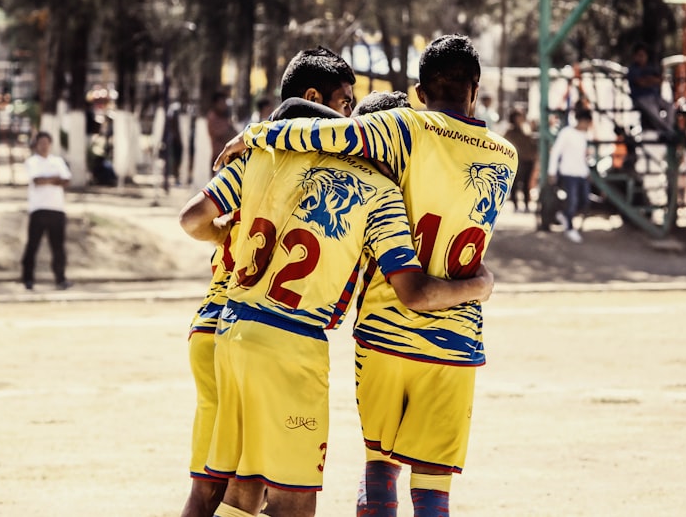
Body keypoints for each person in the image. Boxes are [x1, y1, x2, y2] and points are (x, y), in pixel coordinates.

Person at [182, 48, 491, 517]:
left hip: (227, 326)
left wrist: (228, 230)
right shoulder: (379, 191)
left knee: (233, 491)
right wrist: (480, 285)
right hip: (292, 342)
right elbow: (414, 290)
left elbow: (193, 218)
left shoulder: (267, 155)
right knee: (294, 500)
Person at [176, 48, 358, 517]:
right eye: (346, 103)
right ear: (315, 98)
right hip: (263, 328)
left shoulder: (257, 154)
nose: (349, 116)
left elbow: (195, 218)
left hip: (216, 320)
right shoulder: (322, 170)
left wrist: (223, 236)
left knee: (227, 483)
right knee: (248, 485)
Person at [20, 132, 73, 291]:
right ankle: (28, 279)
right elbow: (37, 180)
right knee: (32, 246)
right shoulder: (32, 161)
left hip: (57, 209)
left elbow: (66, 180)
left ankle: (60, 279)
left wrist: (48, 180)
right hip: (38, 209)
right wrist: (54, 179)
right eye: (41, 142)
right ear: (36, 144)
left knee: (58, 247)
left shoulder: (57, 161)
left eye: (47, 142)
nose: (44, 146)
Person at [546, 107, 593, 244]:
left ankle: (565, 215)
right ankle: (570, 228)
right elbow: (556, 153)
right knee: (572, 201)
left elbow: (582, 157)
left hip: (582, 174)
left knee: (585, 200)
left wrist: (587, 171)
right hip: (568, 173)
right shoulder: (566, 133)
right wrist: (552, 172)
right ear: (583, 121)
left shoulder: (584, 135)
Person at [626, 42, 676, 139]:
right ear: (635, 56)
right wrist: (651, 80)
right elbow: (641, 82)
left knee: (670, 106)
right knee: (654, 113)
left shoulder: (651, 67)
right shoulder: (633, 69)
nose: (642, 58)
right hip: (641, 98)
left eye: (643, 55)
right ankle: (666, 131)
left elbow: (659, 80)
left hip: (655, 97)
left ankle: (668, 129)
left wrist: (649, 80)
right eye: (639, 55)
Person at [503, 107, 538, 213]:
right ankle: (516, 205)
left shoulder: (526, 128)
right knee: (514, 183)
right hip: (517, 160)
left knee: (527, 183)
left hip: (528, 160)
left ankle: (526, 204)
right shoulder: (510, 131)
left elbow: (532, 144)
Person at [206, 89, 238, 170]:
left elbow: (234, 133)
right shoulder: (212, 117)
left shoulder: (225, 117)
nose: (224, 105)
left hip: (228, 158)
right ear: (215, 103)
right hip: (218, 158)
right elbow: (223, 135)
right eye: (221, 103)